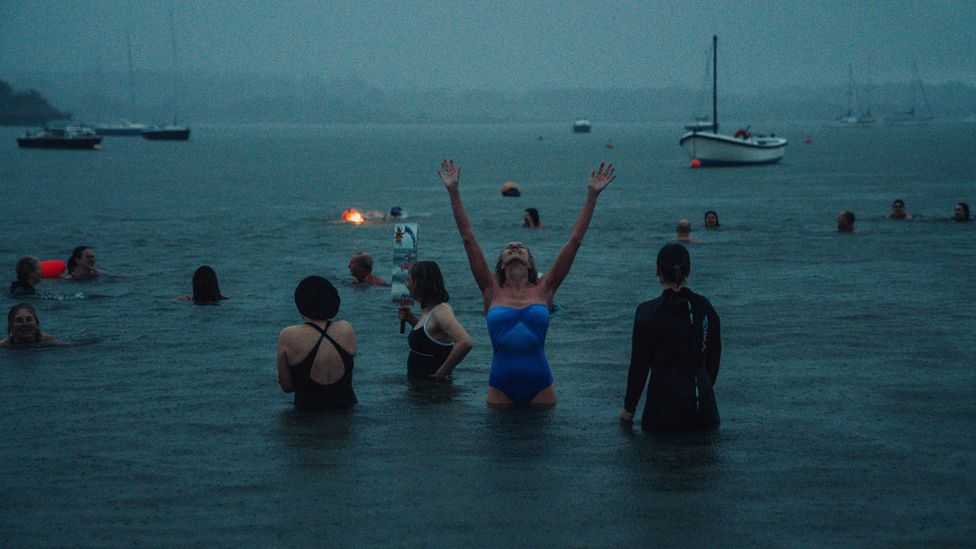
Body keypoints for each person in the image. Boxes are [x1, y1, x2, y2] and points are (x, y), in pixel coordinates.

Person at [439, 158, 615, 406]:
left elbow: (574, 241)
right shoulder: (491, 290)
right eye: (509, 247)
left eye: (520, 246)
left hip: (541, 386)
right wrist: (453, 191)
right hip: (500, 388)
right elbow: (468, 237)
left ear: (530, 263)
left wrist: (592, 195)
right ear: (501, 264)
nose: (514, 246)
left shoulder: (545, 289)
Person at [619, 243, 721, 432]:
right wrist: (703, 388)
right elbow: (713, 359)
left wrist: (628, 410)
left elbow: (639, 367)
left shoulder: (647, 312)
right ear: (689, 269)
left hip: (663, 410)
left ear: (657, 270)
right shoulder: (705, 307)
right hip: (705, 407)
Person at [276, 276, 358, 410]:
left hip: (306, 416)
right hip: (347, 413)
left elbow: (287, 387)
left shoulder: (288, 335)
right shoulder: (346, 328)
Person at [397, 261, 474, 379]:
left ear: (420, 283)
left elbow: (465, 342)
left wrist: (441, 373)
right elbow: (429, 339)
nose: (406, 285)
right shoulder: (428, 310)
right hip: (422, 388)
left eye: (409, 280)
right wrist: (411, 319)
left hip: (433, 391)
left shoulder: (440, 312)